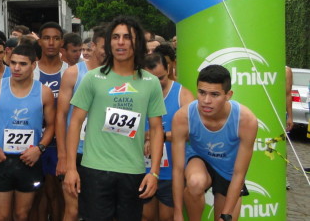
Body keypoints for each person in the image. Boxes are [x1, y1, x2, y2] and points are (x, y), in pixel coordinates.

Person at [63, 16, 166, 221]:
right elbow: (74, 123)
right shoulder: (93, 78)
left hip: (133, 170)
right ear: (109, 42)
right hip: (95, 170)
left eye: (127, 37)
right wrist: (71, 168)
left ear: (137, 43)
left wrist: (153, 173)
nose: (121, 42)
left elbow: (156, 129)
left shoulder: (151, 82)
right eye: (116, 37)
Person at [0, 44, 56, 221]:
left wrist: (39, 148)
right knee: (1, 216)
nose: (16, 68)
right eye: (13, 63)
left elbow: (51, 126)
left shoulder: (44, 92)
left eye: (22, 64)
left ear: (33, 65)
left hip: (29, 160)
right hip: (1, 158)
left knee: (22, 215)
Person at [171, 65, 257, 221]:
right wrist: (177, 214)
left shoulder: (246, 120)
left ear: (228, 95)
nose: (206, 101)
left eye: (215, 94)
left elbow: (239, 174)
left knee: (226, 217)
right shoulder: (183, 117)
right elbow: (177, 170)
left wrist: (226, 215)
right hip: (199, 160)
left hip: (229, 171)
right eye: (201, 92)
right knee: (195, 182)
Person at [54, 25, 106, 221]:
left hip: (103, 153)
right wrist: (62, 156)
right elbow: (61, 115)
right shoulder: (74, 73)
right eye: (104, 46)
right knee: (73, 210)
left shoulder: (118, 75)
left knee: (100, 211)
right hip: (75, 152)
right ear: (93, 46)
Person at [141, 53, 194, 221]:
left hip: (171, 173)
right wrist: (145, 137)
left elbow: (192, 133)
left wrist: (160, 136)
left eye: (161, 78)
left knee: (167, 217)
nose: (156, 84)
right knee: (146, 216)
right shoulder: (135, 94)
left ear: (169, 69)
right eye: (151, 79)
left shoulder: (182, 95)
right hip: (142, 169)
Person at [33, 22, 68, 221]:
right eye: (46, 38)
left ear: (61, 42)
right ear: (40, 41)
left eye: (56, 38)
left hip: (60, 144)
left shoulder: (70, 72)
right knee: (35, 195)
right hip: (35, 142)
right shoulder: (30, 70)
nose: (51, 42)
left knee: (58, 194)